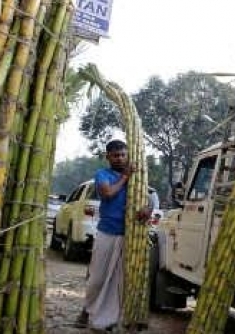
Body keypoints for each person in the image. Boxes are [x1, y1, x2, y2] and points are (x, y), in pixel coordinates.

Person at [77, 140, 148, 333]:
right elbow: (107, 193)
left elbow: (148, 201)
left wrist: (147, 210)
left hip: (130, 235)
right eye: (116, 155)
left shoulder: (138, 178)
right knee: (97, 278)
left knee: (119, 281)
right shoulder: (103, 175)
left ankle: (108, 320)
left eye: (123, 154)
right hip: (107, 231)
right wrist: (125, 177)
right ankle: (87, 309)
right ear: (107, 156)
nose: (120, 158)